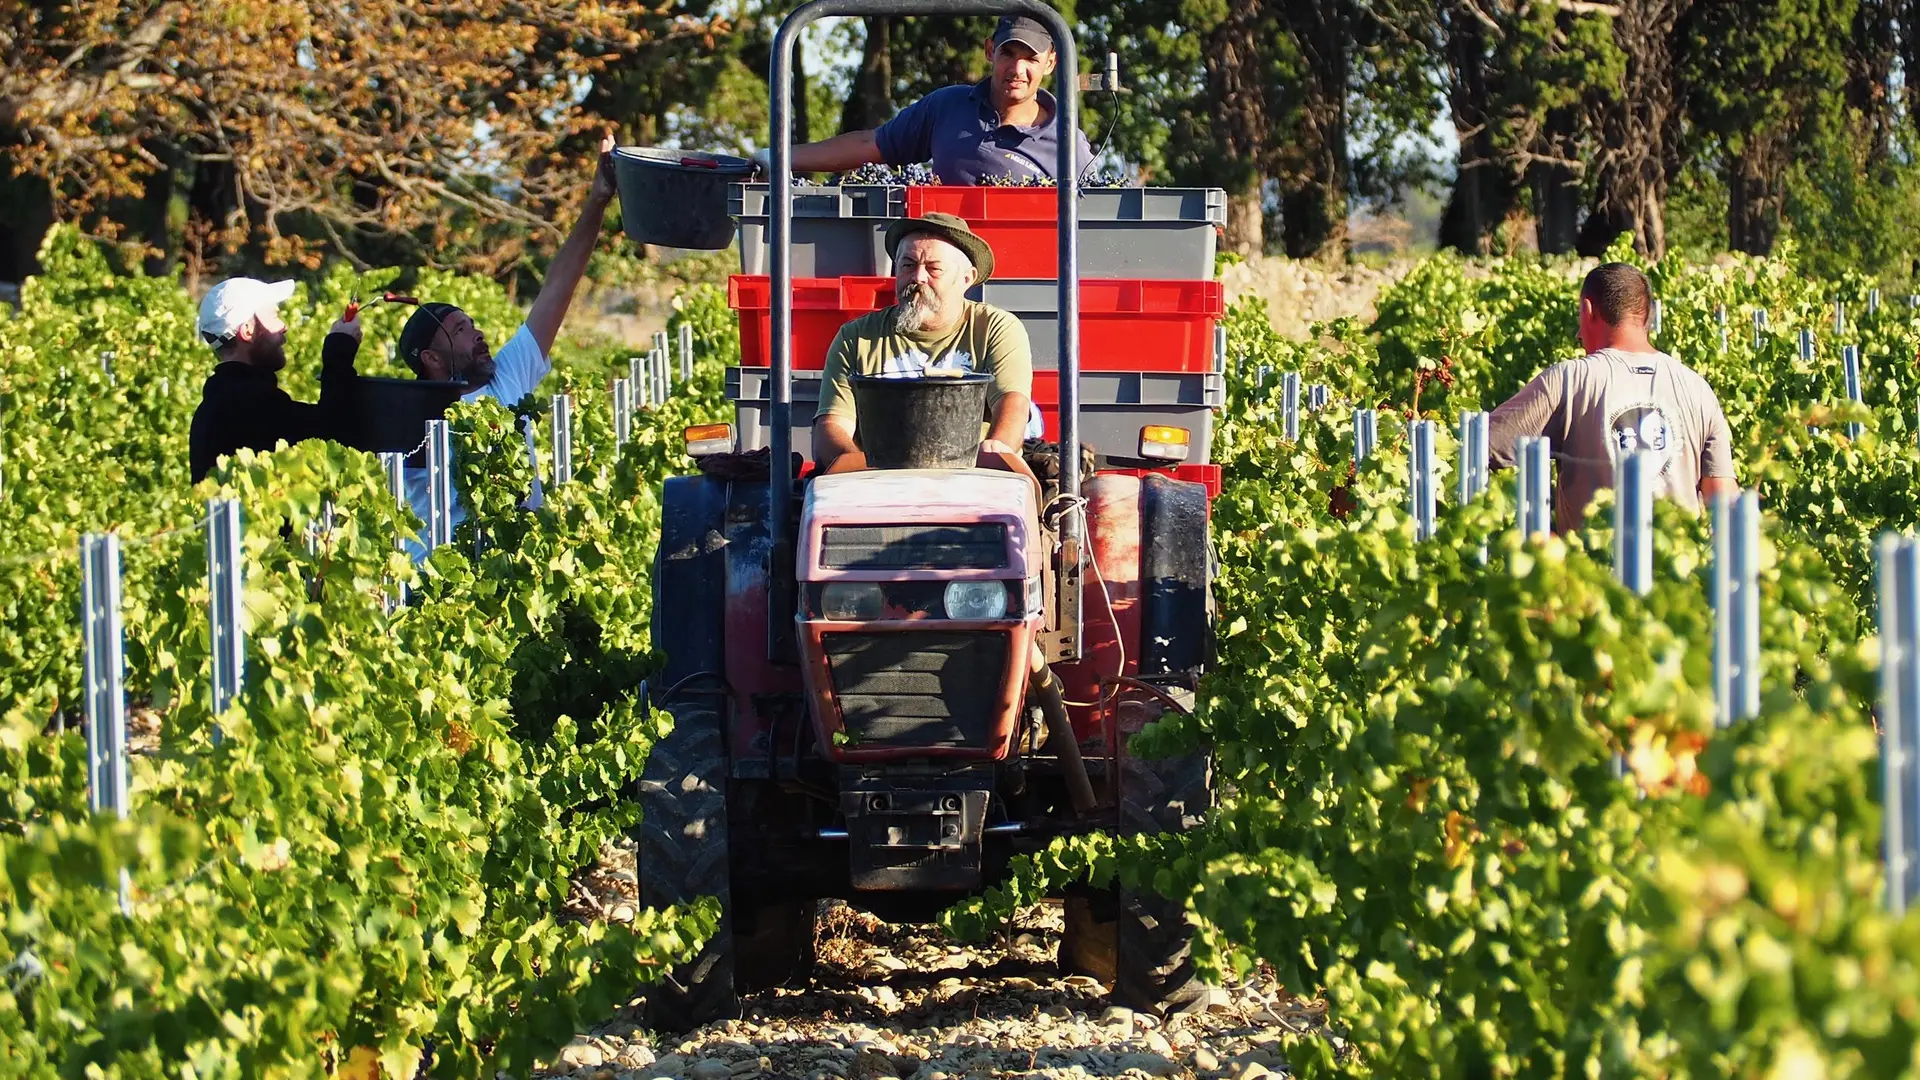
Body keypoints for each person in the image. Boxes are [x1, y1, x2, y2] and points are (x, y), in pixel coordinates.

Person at [397, 134, 617, 556]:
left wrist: (598, 202)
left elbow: (559, 286)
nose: (478, 333)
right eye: (460, 330)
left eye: (473, 323)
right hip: (440, 590)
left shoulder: (506, 377)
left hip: (517, 575)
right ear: (430, 358)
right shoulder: (411, 419)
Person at [1487, 262, 1738, 534]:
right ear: (1646, 317)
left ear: (1587, 310)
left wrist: (1533, 533)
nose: (1579, 335)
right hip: (1679, 569)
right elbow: (1723, 500)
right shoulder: (1697, 389)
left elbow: (1482, 446)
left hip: (1590, 574)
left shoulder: (1568, 381)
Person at [814, 212, 1037, 472]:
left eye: (933, 268)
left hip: (972, 480)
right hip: (876, 483)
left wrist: (997, 449)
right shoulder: (857, 338)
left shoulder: (994, 328)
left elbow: (1013, 404)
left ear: (967, 278)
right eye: (908, 265)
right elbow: (832, 425)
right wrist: (864, 473)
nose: (918, 277)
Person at [757, 15, 1094, 185]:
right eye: (1008, 53)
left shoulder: (1067, 142)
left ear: (1050, 63)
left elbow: (1095, 218)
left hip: (1027, 282)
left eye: (1031, 59)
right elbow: (870, 144)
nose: (1017, 69)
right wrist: (776, 158)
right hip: (941, 271)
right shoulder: (947, 107)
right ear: (991, 51)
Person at [189, 277, 362, 483]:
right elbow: (335, 437)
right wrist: (340, 351)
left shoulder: (215, 405)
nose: (283, 326)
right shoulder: (250, 403)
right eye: (273, 316)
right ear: (247, 330)